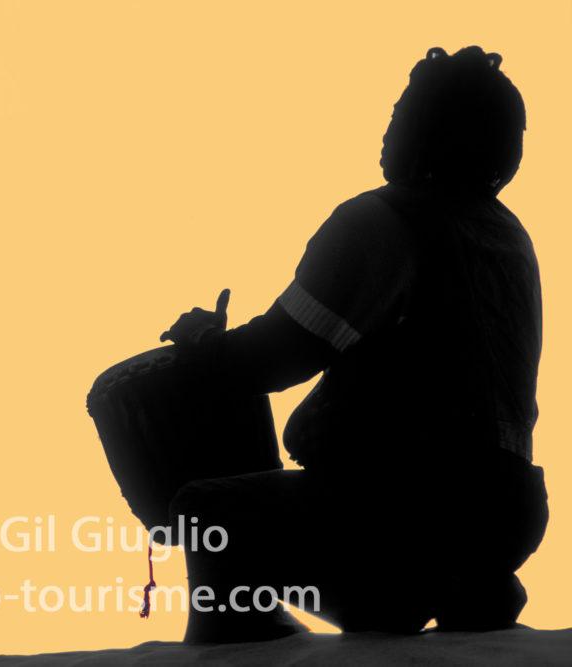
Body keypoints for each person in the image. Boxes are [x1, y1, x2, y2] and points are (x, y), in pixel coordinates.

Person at [158, 46, 548, 642]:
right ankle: (459, 583)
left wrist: (206, 348)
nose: (389, 128)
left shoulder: (382, 221)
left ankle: (245, 648)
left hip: (402, 509)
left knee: (206, 511)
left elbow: (280, 355)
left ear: (429, 131)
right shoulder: (510, 238)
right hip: (506, 512)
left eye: (402, 112)